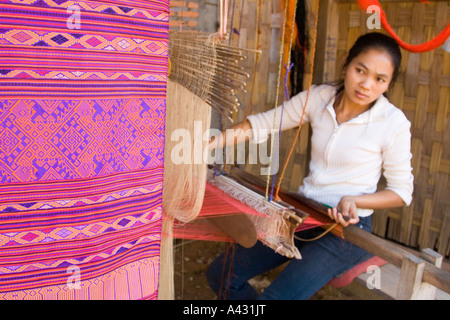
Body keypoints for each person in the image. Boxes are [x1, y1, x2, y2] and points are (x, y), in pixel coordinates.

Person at [205, 32, 414, 300]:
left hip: (346, 230)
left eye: (379, 79)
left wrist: (355, 200)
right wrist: (208, 144)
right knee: (220, 275)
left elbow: (402, 192)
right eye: (360, 70)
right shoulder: (321, 97)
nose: (366, 84)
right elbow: (265, 123)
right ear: (346, 64)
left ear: (388, 84)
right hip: (302, 215)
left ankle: (356, 257)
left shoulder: (393, 123)